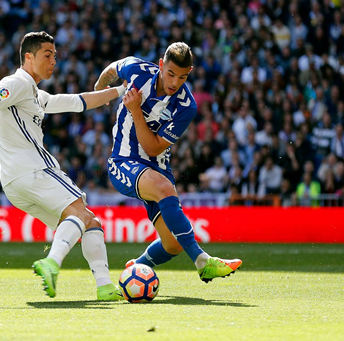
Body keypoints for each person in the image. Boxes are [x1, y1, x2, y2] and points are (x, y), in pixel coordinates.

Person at [0, 31, 126, 300]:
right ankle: (51, 263)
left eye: (55, 55)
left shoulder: (34, 94)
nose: (54, 60)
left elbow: (78, 102)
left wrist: (122, 91)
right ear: (28, 57)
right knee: (80, 211)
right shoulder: (17, 83)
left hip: (14, 184)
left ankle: (104, 286)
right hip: (34, 170)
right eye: (48, 55)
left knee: (90, 221)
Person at [94, 42, 242, 283]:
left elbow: (153, 147)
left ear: (189, 73)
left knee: (172, 245)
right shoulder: (138, 70)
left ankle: (134, 270)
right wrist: (100, 88)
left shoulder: (186, 106)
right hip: (123, 161)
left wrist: (135, 111)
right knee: (164, 188)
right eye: (171, 74)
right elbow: (113, 69)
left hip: (156, 167)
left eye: (182, 77)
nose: (174, 82)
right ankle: (202, 262)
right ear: (161, 65)